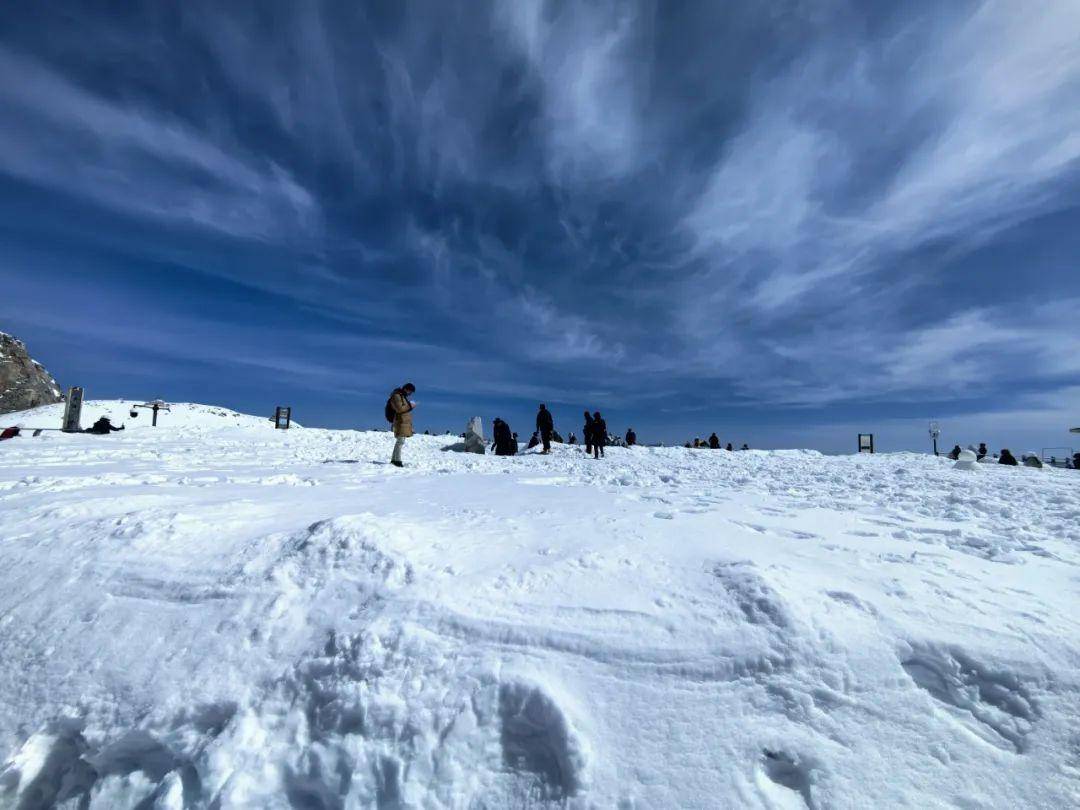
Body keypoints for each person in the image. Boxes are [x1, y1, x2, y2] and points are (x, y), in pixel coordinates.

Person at [388, 383, 416, 467]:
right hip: (400, 422)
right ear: (406, 389)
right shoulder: (396, 396)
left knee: (400, 441)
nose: (410, 394)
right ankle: (397, 461)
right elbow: (399, 409)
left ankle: (394, 460)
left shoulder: (401, 396)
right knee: (400, 442)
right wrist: (410, 406)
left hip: (403, 422)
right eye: (410, 392)